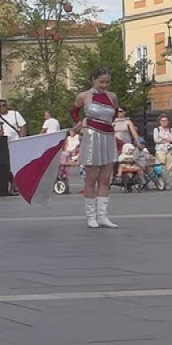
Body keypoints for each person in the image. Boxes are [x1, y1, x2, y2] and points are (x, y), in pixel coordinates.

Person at [70, 66, 120, 229]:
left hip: (107, 136)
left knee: (105, 179)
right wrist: (79, 123)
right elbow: (74, 111)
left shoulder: (112, 96)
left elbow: (114, 113)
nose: (104, 85)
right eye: (101, 82)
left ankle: (103, 216)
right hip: (92, 137)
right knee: (91, 179)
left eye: (107, 82)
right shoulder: (84, 96)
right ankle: (91, 216)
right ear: (93, 80)